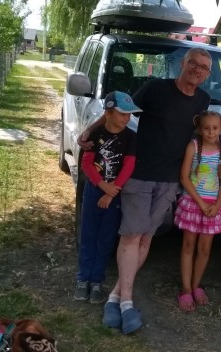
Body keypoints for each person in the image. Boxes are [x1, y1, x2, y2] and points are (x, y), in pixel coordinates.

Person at [78, 48, 212, 334]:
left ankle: (116, 296)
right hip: (138, 174)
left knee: (146, 238)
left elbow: (205, 138)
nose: (197, 70)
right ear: (183, 64)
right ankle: (127, 301)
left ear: (207, 75)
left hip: (170, 180)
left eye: (204, 68)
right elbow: (119, 109)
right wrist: (90, 131)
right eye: (194, 63)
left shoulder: (204, 100)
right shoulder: (156, 88)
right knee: (131, 236)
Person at [74, 91, 138, 304]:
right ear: (108, 112)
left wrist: (112, 192)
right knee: (88, 234)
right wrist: (102, 186)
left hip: (115, 196)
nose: (127, 119)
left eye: (129, 115)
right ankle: (83, 279)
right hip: (94, 191)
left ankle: (97, 281)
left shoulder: (131, 137)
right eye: (122, 114)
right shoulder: (95, 133)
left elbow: (128, 166)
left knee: (106, 238)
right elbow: (86, 163)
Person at [174, 111, 221, 312]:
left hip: (213, 206)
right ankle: (186, 289)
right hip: (193, 203)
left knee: (205, 249)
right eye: (207, 128)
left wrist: (217, 204)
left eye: (215, 128)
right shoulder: (193, 147)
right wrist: (200, 203)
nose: (211, 132)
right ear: (200, 129)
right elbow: (184, 178)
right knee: (189, 246)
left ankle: (196, 285)